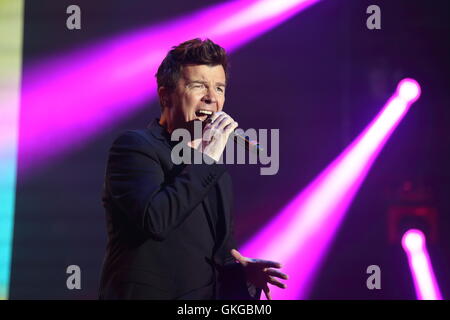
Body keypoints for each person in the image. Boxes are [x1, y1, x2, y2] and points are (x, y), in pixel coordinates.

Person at [98, 38, 288, 300]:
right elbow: (155, 220)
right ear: (165, 96)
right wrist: (207, 158)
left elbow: (217, 257)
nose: (211, 97)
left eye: (219, 88)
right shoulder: (135, 148)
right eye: (199, 86)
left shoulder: (216, 172)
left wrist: (242, 274)